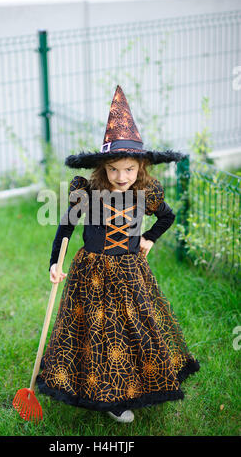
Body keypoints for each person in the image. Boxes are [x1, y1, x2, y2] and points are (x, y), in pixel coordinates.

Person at [37, 85, 200, 423]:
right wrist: (55, 262)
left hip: (129, 271)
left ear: (140, 166)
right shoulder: (88, 191)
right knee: (98, 328)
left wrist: (150, 238)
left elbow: (167, 216)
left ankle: (137, 383)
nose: (121, 177)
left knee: (133, 326)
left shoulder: (144, 192)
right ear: (102, 168)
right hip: (92, 272)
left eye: (128, 169)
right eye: (113, 169)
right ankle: (108, 395)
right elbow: (66, 228)